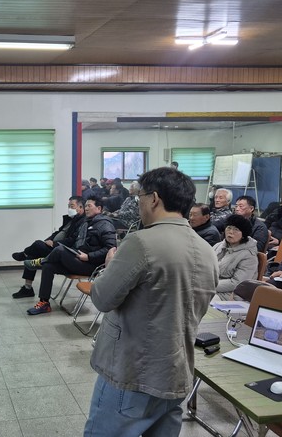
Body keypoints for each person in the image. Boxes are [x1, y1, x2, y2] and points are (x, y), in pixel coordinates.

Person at [84, 167, 218, 436]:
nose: (139, 204)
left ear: (154, 198)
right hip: (176, 372)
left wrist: (109, 267)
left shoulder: (141, 243)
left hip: (132, 373)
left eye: (140, 197)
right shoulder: (207, 251)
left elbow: (102, 298)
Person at [24, 197, 116, 315]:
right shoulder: (86, 223)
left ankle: (40, 262)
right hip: (78, 259)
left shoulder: (105, 225)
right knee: (48, 266)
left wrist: (89, 256)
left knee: (60, 250)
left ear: (99, 208)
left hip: (91, 265)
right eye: (86, 206)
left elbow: (111, 248)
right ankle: (44, 303)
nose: (86, 208)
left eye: (89, 206)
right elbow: (73, 241)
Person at [11, 196, 86, 298]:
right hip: (55, 246)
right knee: (33, 253)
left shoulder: (82, 222)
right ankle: (27, 288)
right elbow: (58, 232)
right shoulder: (71, 220)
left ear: (81, 207)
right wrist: (48, 241)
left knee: (37, 244)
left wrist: (54, 244)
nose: (69, 208)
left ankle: (24, 254)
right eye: (68, 206)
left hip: (62, 251)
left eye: (72, 206)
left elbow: (72, 240)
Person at [212, 214, 259, 299]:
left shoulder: (249, 256)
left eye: (236, 229)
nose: (231, 232)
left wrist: (208, 286)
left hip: (231, 294)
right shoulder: (218, 246)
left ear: (243, 234)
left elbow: (237, 283)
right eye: (229, 228)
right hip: (210, 287)